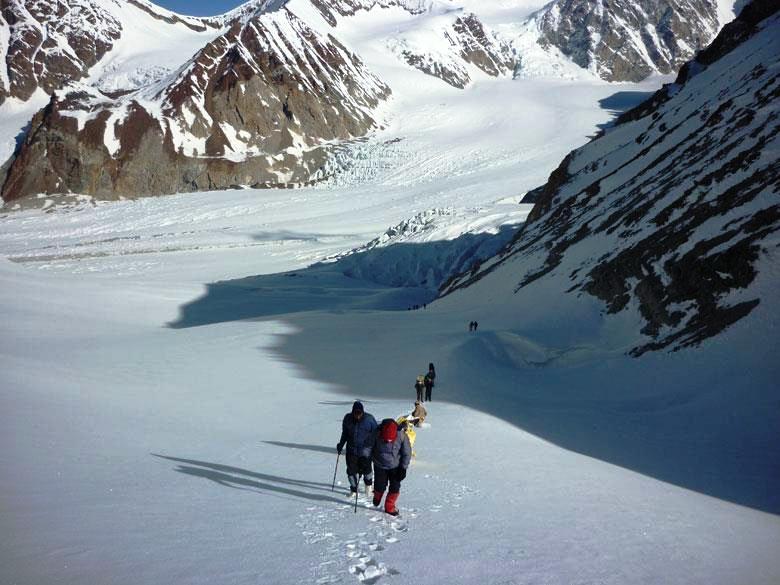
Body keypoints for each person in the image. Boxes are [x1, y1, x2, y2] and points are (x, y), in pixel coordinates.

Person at [371, 418, 412, 516]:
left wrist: (403, 468)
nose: (388, 442)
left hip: (395, 466)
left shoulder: (401, 435)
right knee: (379, 486)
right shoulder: (376, 433)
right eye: (386, 440)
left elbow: (407, 453)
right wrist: (363, 459)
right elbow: (367, 447)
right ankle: (377, 496)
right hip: (379, 465)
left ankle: (389, 507)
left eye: (390, 440)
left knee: (395, 487)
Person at [337, 401, 377, 497]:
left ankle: (368, 487)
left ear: (363, 412)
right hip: (351, 450)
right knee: (351, 471)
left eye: (360, 413)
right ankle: (354, 490)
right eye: (356, 413)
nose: (358, 416)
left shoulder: (369, 419)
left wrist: (374, 447)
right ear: (352, 412)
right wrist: (341, 444)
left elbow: (376, 433)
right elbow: (345, 433)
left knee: (367, 470)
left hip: (365, 450)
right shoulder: (347, 419)